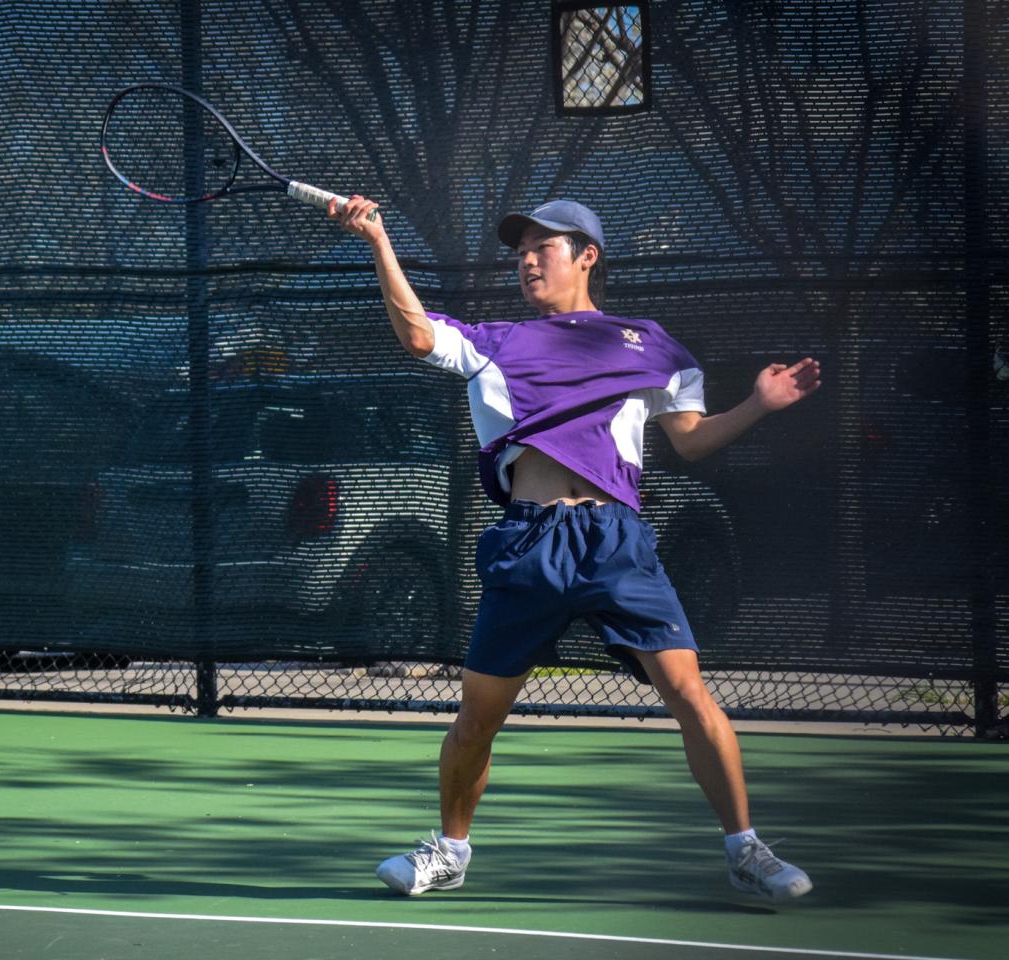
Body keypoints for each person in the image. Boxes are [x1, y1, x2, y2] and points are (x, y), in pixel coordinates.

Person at [329, 195, 821, 903]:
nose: (527, 260)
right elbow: (414, 335)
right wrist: (376, 238)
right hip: (529, 543)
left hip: (615, 543)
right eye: (520, 250)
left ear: (586, 256)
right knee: (475, 718)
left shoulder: (651, 345)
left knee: (689, 694)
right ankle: (449, 850)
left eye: (544, 247)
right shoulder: (495, 342)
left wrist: (756, 407)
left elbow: (688, 439)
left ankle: (746, 849)